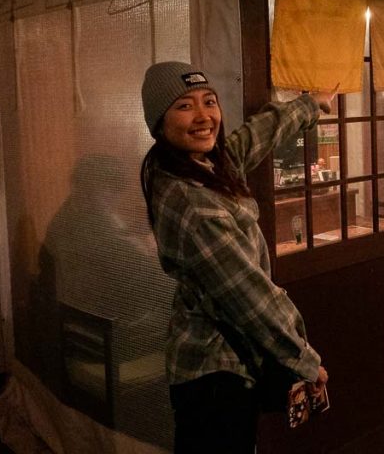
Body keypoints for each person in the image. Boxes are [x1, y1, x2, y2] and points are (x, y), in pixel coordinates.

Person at [138, 61, 331, 452]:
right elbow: (250, 296)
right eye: (184, 106)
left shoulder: (201, 166)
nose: (203, 116)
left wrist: (309, 106)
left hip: (221, 363)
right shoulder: (191, 202)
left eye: (209, 102)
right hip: (213, 375)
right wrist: (304, 360)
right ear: (159, 123)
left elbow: (249, 139)